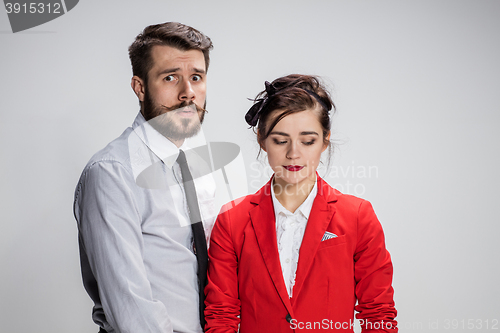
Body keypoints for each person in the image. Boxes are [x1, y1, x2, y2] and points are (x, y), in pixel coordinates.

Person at [204, 74, 398, 332]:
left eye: (308, 141)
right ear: (262, 139)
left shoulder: (358, 216)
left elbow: (378, 313)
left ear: (325, 140)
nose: (293, 153)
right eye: (280, 140)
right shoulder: (232, 220)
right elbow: (221, 315)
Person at [74, 22, 216, 333]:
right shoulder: (112, 172)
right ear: (140, 87)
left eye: (196, 77)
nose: (187, 93)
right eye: (170, 78)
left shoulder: (201, 165)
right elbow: (130, 304)